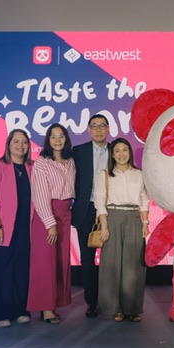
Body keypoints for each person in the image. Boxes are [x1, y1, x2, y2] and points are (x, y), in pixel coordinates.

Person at [0, 129, 33, 328]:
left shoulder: (31, 167)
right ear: (9, 145)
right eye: (16, 141)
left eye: (24, 142)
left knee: (20, 271)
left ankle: (19, 310)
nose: (20, 145)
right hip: (0, 227)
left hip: (24, 228)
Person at [94, 138, 150, 322]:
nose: (121, 154)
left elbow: (144, 198)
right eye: (117, 151)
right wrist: (104, 226)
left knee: (134, 266)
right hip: (113, 217)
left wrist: (145, 222)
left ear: (129, 152)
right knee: (112, 265)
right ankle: (115, 308)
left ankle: (132, 308)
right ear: (112, 154)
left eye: (124, 150)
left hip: (134, 218)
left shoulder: (139, 174)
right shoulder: (104, 175)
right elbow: (100, 201)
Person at [27, 124, 75, 324]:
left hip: (65, 214)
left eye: (61, 136)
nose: (57, 140)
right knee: (46, 262)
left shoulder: (70, 161)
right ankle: (46, 308)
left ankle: (54, 303)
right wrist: (50, 223)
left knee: (60, 261)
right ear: (48, 140)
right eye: (53, 136)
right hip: (47, 215)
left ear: (66, 139)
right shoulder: (42, 162)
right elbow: (39, 195)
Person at [72, 114, 110, 318]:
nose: (98, 129)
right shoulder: (78, 151)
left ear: (108, 129)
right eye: (94, 126)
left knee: (111, 258)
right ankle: (92, 302)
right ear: (88, 129)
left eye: (102, 126)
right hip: (85, 209)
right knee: (87, 260)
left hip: (110, 209)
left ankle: (110, 299)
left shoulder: (116, 150)